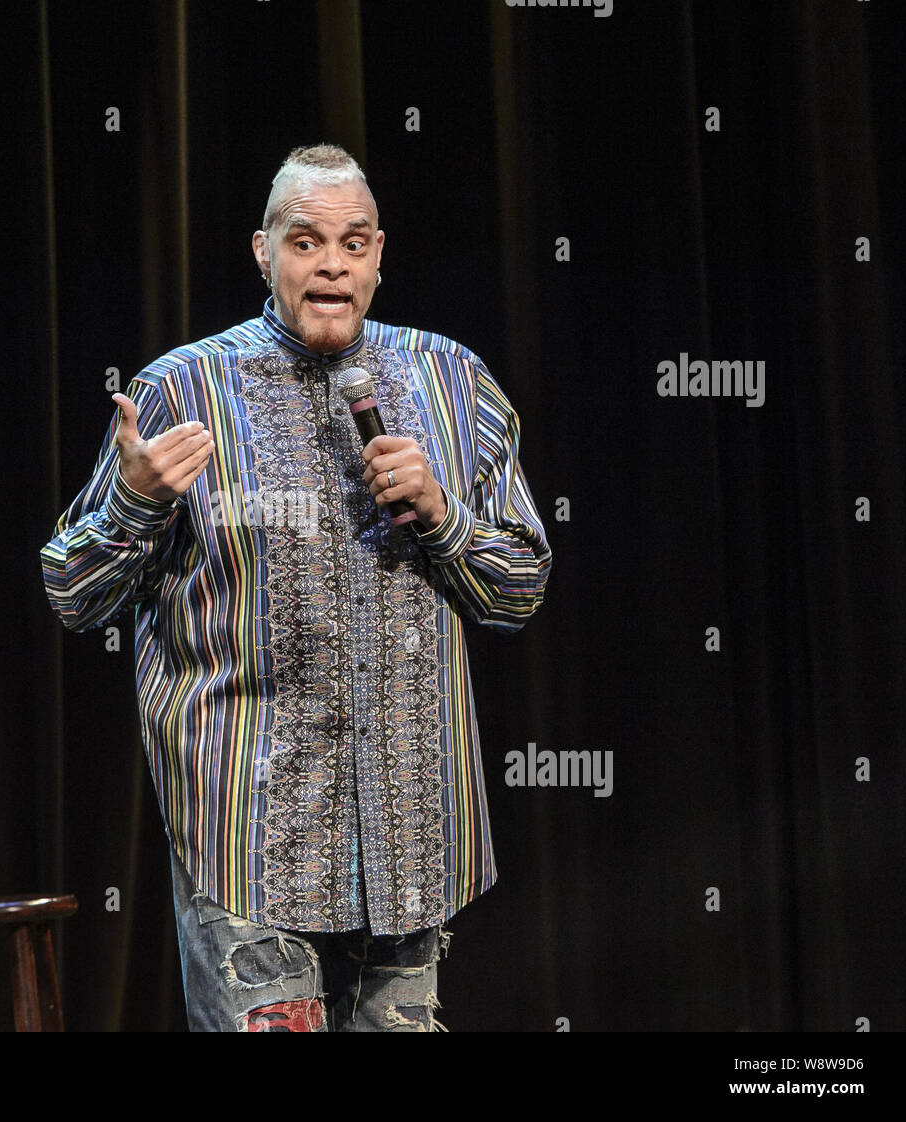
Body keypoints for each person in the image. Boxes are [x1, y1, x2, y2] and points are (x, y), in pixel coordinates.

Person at [41, 144, 552, 1032]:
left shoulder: (451, 382)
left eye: (353, 244)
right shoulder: (183, 387)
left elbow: (519, 591)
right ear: (262, 251)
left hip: (409, 838)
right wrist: (136, 499)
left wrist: (443, 513)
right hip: (249, 835)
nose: (331, 265)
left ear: (380, 256)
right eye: (306, 241)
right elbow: (75, 594)